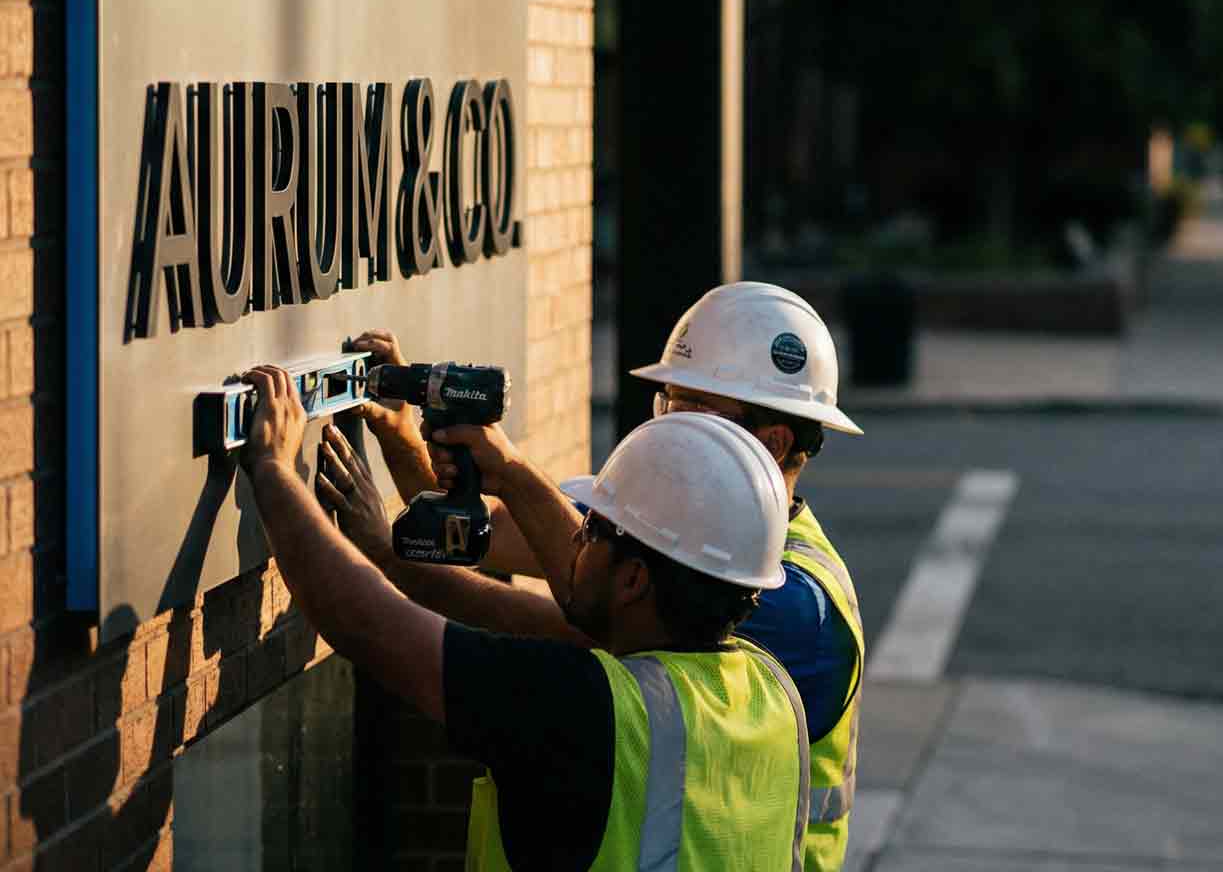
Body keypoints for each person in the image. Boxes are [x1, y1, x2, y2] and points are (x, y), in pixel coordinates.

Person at [349, 281, 866, 872]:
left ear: (771, 443)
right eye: (668, 402)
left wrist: (398, 562)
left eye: (690, 407)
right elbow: (477, 534)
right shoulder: (678, 517)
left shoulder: (790, 603)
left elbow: (569, 618)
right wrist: (401, 433)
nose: (669, 423)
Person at [239, 364, 811, 871]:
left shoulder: (587, 707)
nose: (575, 541)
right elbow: (520, 616)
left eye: (591, 531)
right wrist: (414, 533)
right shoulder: (771, 690)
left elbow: (368, 624)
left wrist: (273, 465)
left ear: (634, 581)